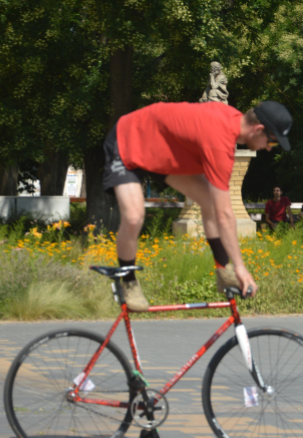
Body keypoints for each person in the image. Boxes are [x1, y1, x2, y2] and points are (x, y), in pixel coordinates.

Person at [104, 100, 292, 311]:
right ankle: (128, 281)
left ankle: (222, 268)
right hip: (129, 140)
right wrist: (241, 267)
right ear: (258, 129)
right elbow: (225, 215)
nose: (268, 148)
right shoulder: (219, 140)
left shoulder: (229, 126)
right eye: (272, 142)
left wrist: (230, 266)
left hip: (161, 153)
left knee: (209, 201)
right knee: (134, 216)